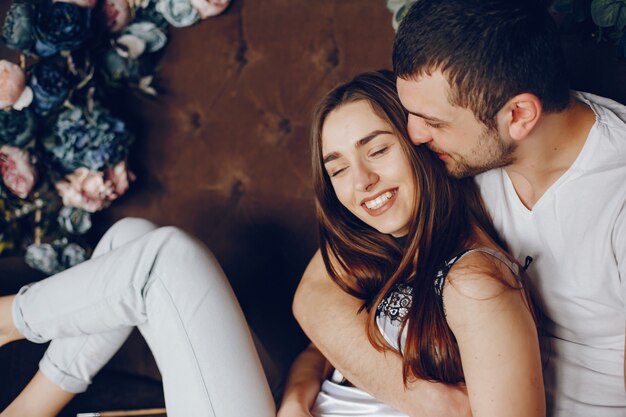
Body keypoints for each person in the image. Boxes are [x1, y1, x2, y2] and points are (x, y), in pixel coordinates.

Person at [294, 1, 626, 417]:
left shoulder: (616, 202)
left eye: (432, 121)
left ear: (519, 115)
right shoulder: (462, 157)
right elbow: (316, 293)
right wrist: (426, 398)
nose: (413, 134)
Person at [278, 69, 544, 417]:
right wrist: (295, 400)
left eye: (377, 150)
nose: (362, 181)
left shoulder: (474, 284)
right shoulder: (378, 246)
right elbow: (321, 348)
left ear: (422, 143)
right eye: (338, 170)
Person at [0, 218, 276, 417]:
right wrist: (298, 399)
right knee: (131, 236)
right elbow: (314, 345)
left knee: (165, 259)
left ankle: (8, 321)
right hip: (300, 398)